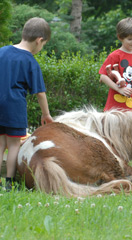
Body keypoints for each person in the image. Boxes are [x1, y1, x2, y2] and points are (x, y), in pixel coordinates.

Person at [0, 17, 53, 190]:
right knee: (14, 144)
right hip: (14, 108)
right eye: (43, 44)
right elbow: (40, 93)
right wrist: (46, 114)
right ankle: (9, 182)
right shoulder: (30, 61)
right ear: (39, 41)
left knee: (0, 143)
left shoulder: (2, 51)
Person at [99, 17, 132, 169]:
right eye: (130, 39)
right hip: (117, 105)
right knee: (116, 135)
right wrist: (119, 88)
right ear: (120, 37)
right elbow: (102, 76)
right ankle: (116, 162)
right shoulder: (115, 56)